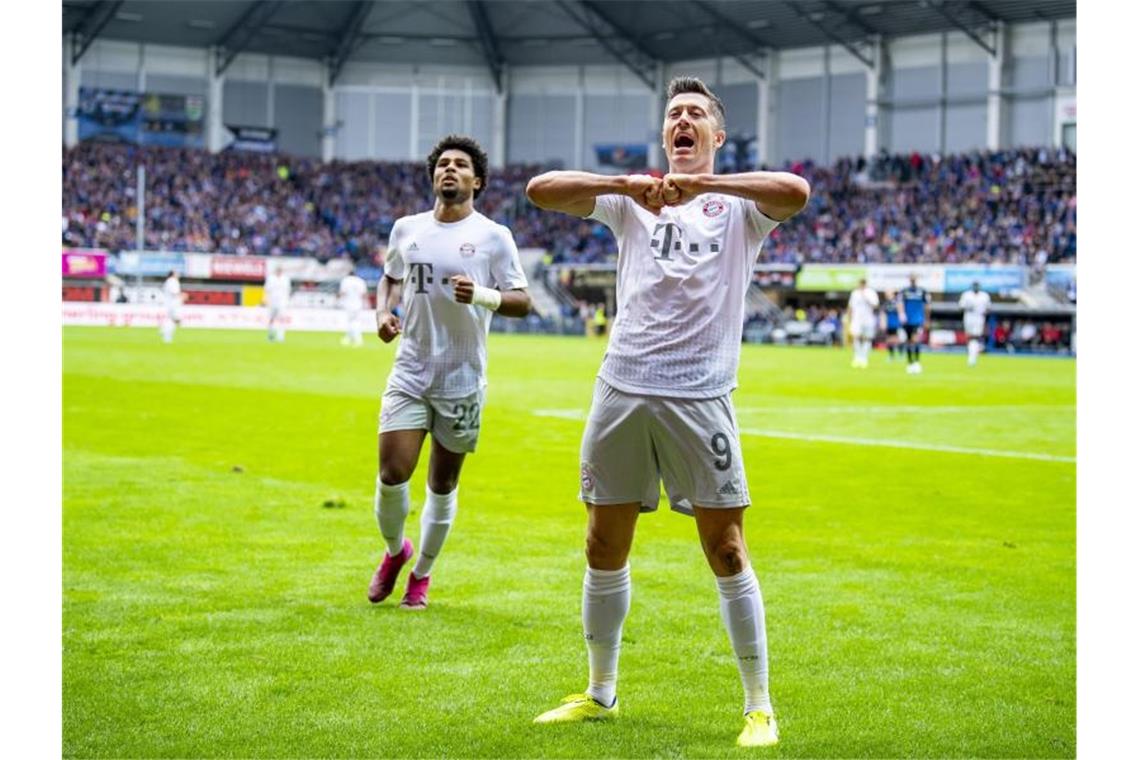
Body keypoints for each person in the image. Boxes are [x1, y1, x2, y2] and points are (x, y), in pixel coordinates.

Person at [525, 76, 810, 748]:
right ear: (665, 137)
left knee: (727, 548)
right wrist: (626, 187)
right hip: (621, 389)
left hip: (700, 396)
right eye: (673, 115)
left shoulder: (740, 210)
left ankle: (759, 706)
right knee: (602, 544)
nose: (682, 122)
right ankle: (600, 693)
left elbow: (796, 193)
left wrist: (709, 188)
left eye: (695, 116)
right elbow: (542, 191)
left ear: (715, 136)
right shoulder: (633, 205)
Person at [368, 134, 531, 611]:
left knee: (442, 484)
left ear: (476, 181)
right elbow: (390, 277)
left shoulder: (494, 236)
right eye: (443, 164)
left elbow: (522, 301)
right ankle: (397, 551)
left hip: (462, 378)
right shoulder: (406, 229)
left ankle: (421, 576)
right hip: (411, 370)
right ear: (434, 176)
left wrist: (481, 294)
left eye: (460, 165)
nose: (450, 170)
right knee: (391, 473)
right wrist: (383, 312)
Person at [898, 274, 931, 374]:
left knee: (916, 340)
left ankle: (916, 362)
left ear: (916, 279)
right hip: (907, 320)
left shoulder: (923, 291)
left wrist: (926, 319)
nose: (912, 280)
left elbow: (927, 306)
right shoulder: (904, 291)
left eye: (914, 278)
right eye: (911, 278)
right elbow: (900, 304)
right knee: (908, 341)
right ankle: (909, 363)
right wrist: (902, 314)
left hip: (918, 320)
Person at [846, 278, 880, 368]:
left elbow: (875, 305)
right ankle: (857, 357)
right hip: (857, 319)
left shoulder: (871, 293)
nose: (861, 285)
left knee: (867, 338)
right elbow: (850, 306)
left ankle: (864, 358)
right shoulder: (855, 293)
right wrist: (849, 318)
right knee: (856, 337)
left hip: (868, 319)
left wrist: (865, 296)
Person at [958, 281, 992, 366]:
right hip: (969, 317)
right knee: (969, 336)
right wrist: (969, 307)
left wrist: (983, 314)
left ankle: (973, 357)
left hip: (979, 318)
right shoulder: (966, 295)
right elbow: (961, 306)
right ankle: (971, 354)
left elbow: (988, 308)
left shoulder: (985, 296)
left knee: (976, 337)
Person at [338, 267, 369, 347]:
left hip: (348, 303)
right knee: (355, 321)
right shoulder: (360, 281)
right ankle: (351, 338)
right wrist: (366, 303)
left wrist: (338, 299)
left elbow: (342, 292)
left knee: (351, 321)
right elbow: (364, 294)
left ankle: (356, 339)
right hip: (358, 303)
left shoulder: (346, 280)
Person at [264, 265, 292, 342]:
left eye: (280, 270)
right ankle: (271, 335)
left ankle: (281, 336)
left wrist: (287, 300)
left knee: (282, 318)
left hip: (282, 302)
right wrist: (266, 299)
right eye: (277, 270)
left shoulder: (285, 279)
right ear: (275, 271)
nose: (279, 272)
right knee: (271, 319)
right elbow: (267, 289)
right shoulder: (270, 278)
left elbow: (288, 290)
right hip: (272, 301)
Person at [160, 270, 185, 343]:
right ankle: (165, 333)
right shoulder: (172, 281)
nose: (178, 274)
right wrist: (182, 295)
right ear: (173, 274)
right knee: (176, 320)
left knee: (174, 320)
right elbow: (174, 292)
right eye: (176, 272)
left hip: (170, 304)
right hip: (173, 304)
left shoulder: (169, 281)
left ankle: (164, 331)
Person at [881, 290, 902, 361]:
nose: (887, 296)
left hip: (896, 323)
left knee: (896, 339)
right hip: (888, 324)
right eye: (886, 294)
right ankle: (891, 356)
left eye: (889, 294)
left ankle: (900, 355)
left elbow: (900, 312)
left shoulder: (896, 303)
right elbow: (883, 314)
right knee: (889, 340)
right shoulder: (885, 304)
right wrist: (883, 323)